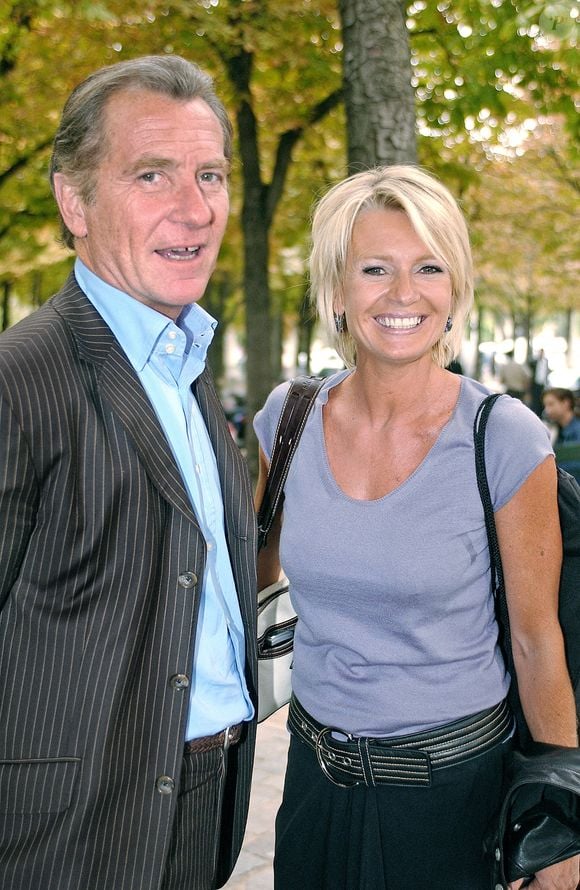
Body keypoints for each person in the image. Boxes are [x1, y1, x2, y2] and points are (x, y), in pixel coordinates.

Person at [254, 166, 579, 890]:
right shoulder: (289, 416)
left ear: (455, 290)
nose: (404, 294)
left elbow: (535, 640)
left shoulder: (503, 435)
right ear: (338, 291)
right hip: (314, 787)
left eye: (428, 267)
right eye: (375, 269)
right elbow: (257, 574)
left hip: (454, 799)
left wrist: (560, 824)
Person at [0, 56, 257, 890]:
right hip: (62, 840)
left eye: (210, 173)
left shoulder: (184, 366)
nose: (196, 207)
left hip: (198, 808)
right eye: (153, 175)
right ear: (74, 202)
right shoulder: (19, 381)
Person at [542, 387, 580, 483]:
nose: (547, 410)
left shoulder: (577, 431)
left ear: (566, 403)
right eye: (545, 405)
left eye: (551, 404)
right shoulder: (554, 431)